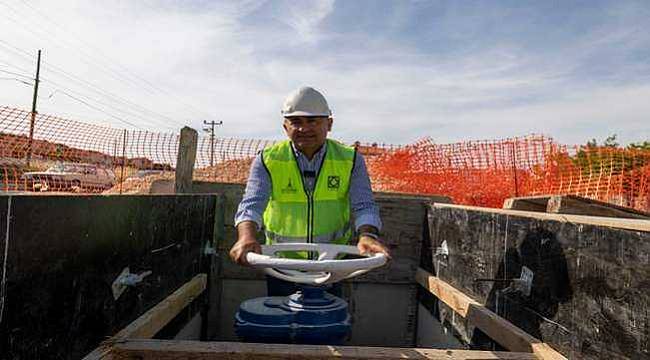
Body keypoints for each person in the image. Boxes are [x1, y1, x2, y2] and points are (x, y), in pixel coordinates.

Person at [229, 86, 390, 296]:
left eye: (313, 120)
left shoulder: (350, 160)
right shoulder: (267, 160)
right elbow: (252, 204)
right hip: (281, 266)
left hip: (332, 266)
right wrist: (246, 236)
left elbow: (364, 205)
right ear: (285, 127)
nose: (304, 128)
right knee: (280, 323)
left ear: (329, 124)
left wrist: (368, 235)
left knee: (328, 323)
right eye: (296, 121)